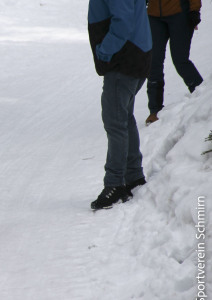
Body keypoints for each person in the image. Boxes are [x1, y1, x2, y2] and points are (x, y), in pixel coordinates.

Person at [88, 0, 152, 210]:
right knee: (124, 117)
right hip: (136, 53)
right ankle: (133, 176)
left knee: (115, 122)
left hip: (124, 58)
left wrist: (105, 50)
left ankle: (115, 184)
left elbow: (123, 20)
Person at [145, 0, 203, 125]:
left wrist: (194, 10)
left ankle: (202, 98)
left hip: (180, 12)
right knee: (153, 61)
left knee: (180, 59)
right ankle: (155, 110)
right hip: (153, 14)